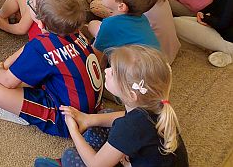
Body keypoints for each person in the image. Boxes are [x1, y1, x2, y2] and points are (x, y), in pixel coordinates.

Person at [0, 0, 103, 138]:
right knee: (27, 75)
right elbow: (30, 48)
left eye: (31, 4)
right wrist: (8, 63)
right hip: (88, 107)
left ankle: (24, 114)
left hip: (69, 121)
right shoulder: (74, 33)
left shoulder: (39, 47)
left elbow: (7, 81)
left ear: (41, 23)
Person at [35, 45, 189, 167]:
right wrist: (88, 119)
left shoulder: (131, 126)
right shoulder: (156, 105)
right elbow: (125, 118)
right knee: (105, 115)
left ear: (131, 95)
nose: (107, 71)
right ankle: (99, 153)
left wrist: (73, 131)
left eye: (114, 72)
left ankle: (80, 158)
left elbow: (95, 165)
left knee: (70, 156)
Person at [88, 0, 160, 58]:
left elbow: (95, 57)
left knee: (92, 27)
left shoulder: (110, 25)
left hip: (130, 66)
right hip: (154, 61)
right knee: (93, 25)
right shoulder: (142, 17)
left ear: (121, 6)